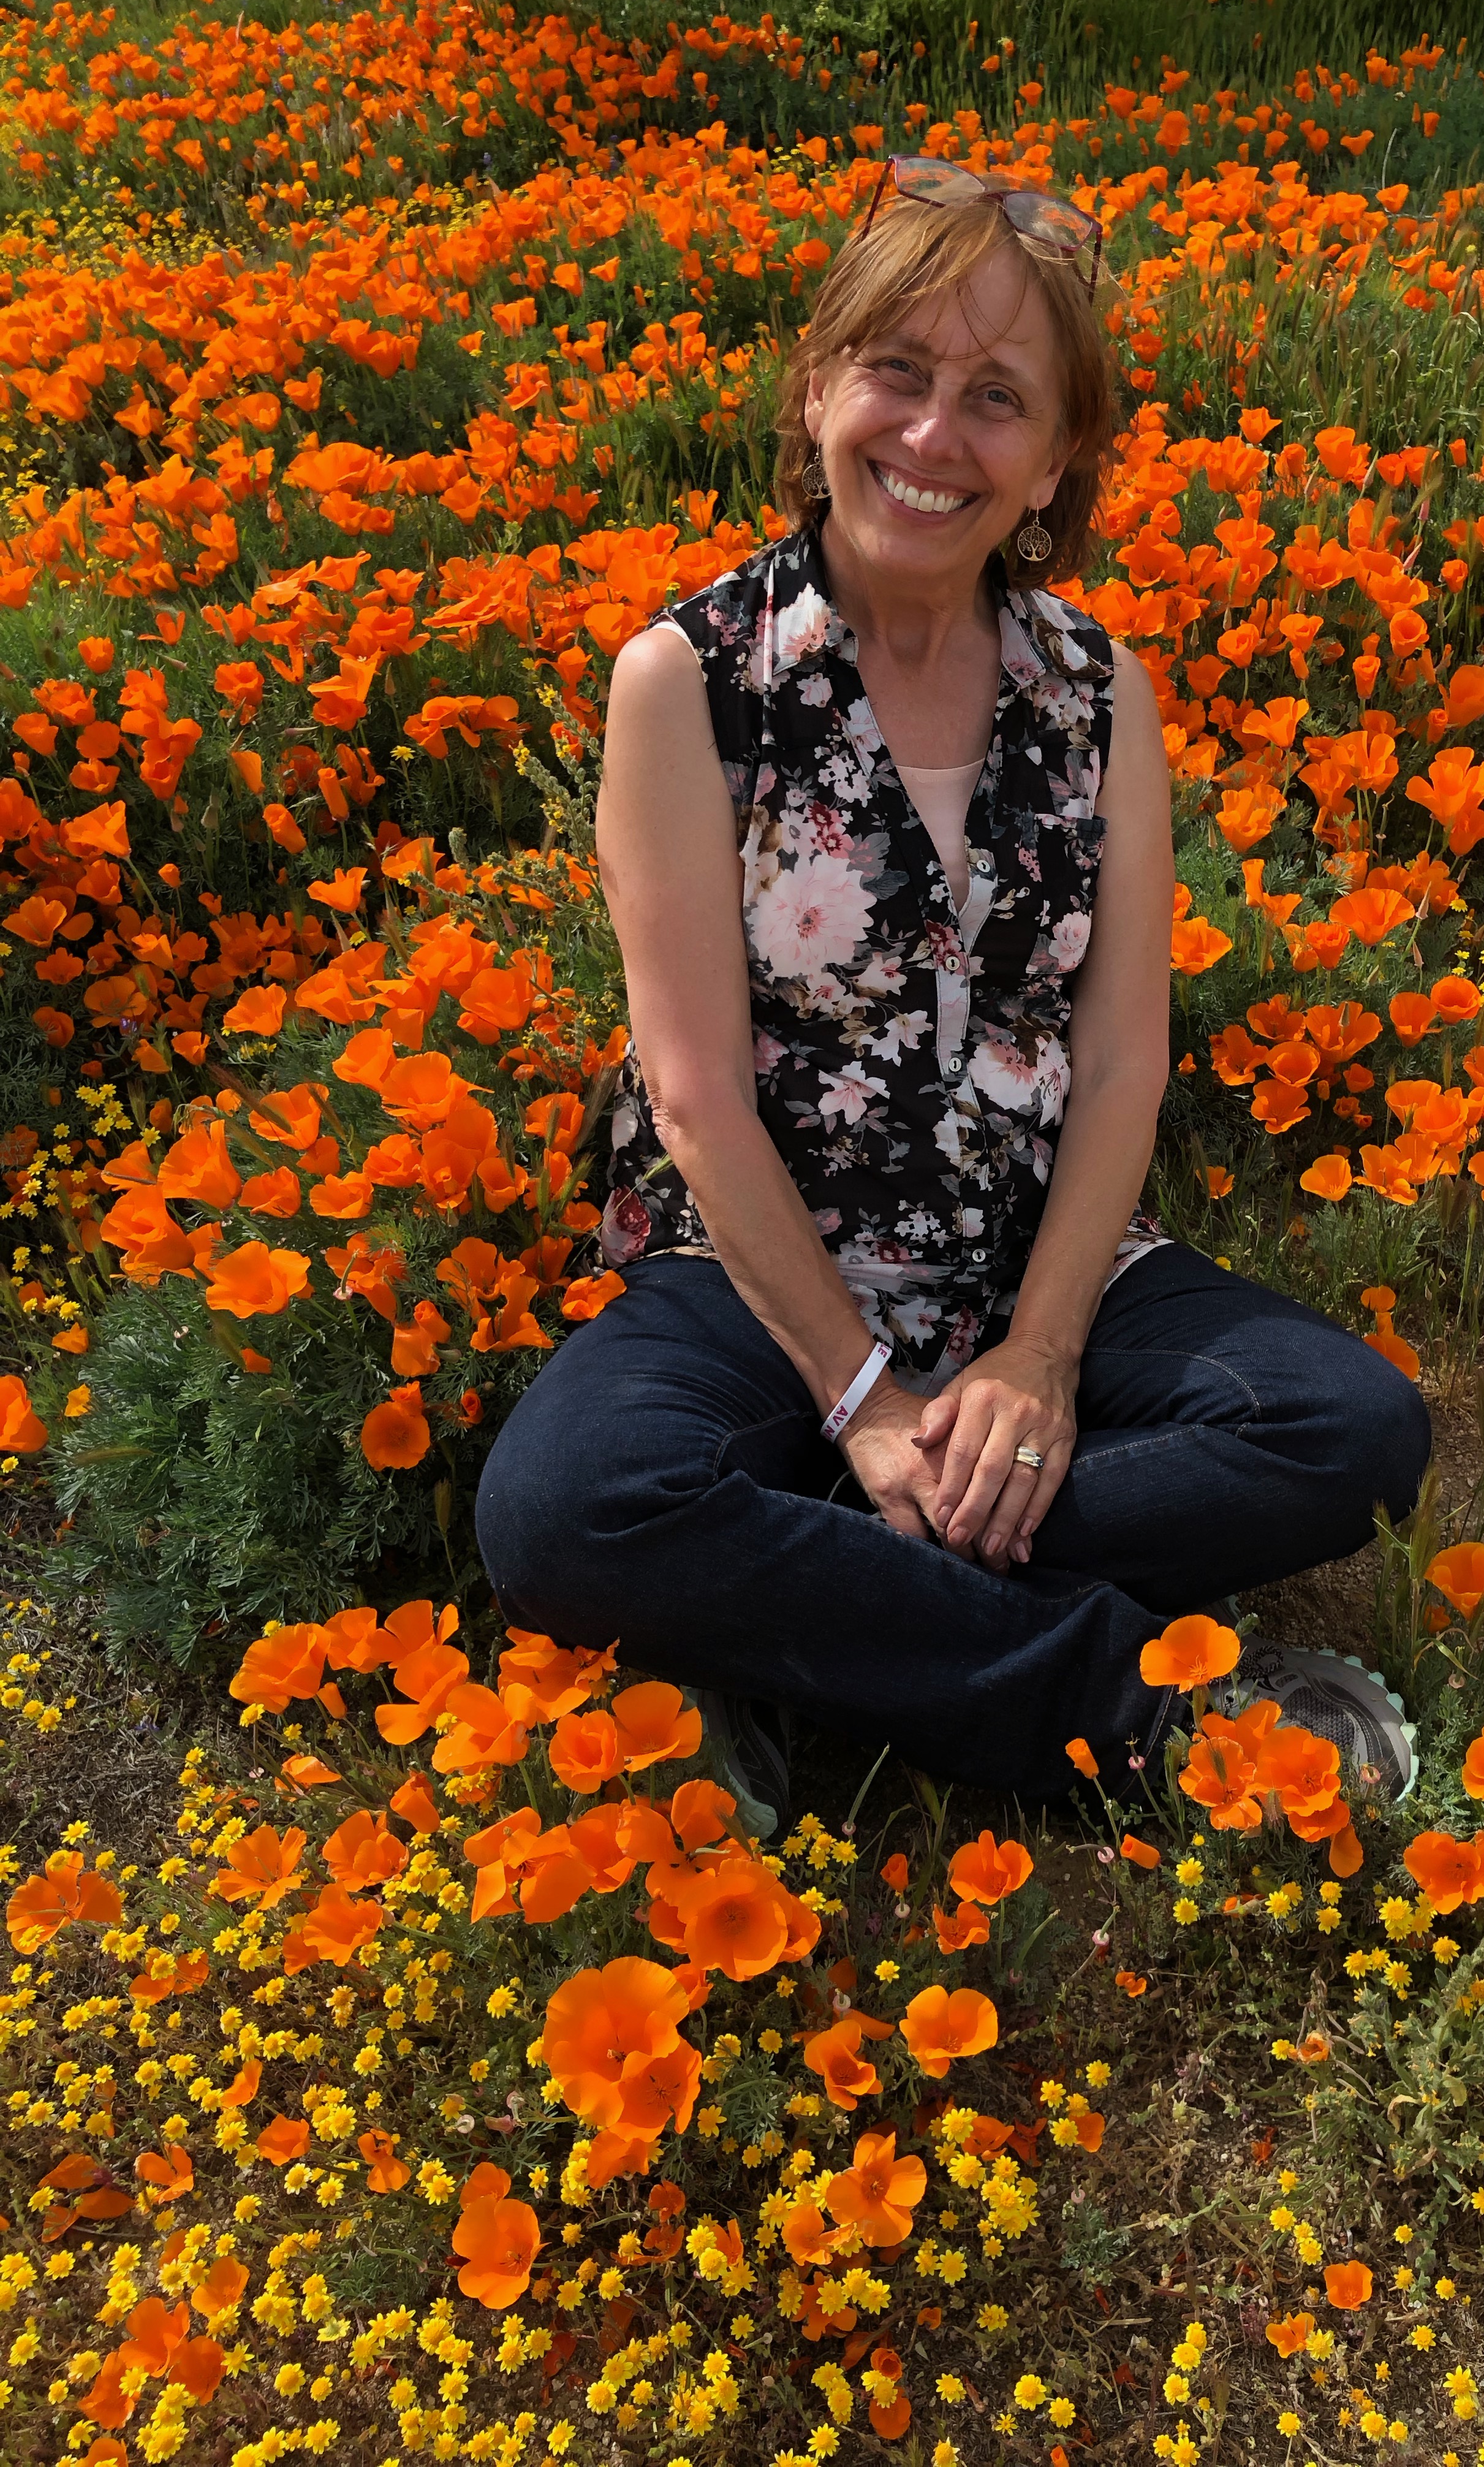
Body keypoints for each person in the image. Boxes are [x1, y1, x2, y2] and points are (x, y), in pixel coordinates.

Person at [475, 158, 1431, 1832]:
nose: (930, 438)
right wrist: (862, 1400)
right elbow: (692, 1095)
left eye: (996, 398)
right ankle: (1136, 1712)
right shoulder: (689, 682)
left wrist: (1041, 1361)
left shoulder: (1099, 691)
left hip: (1027, 1250)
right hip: (759, 1272)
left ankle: (790, 1614)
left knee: (1350, 1428)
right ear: (819, 388)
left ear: (1058, 458)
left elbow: (1123, 1065)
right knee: (562, 1510)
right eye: (898, 374)